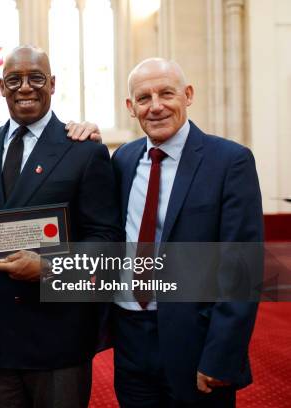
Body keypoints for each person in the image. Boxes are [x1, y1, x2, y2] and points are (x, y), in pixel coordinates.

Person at [0, 45, 122, 407]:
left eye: (35, 78)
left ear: (52, 83)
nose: (25, 88)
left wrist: (49, 269)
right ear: (1, 87)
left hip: (58, 335)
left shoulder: (84, 150)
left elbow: (106, 240)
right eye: (14, 80)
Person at [110, 58, 262, 407]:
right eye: (144, 98)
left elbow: (241, 269)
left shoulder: (230, 161)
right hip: (131, 337)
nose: (156, 106)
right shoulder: (122, 160)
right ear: (131, 108)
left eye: (166, 93)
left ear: (188, 95)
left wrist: (221, 356)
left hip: (196, 340)